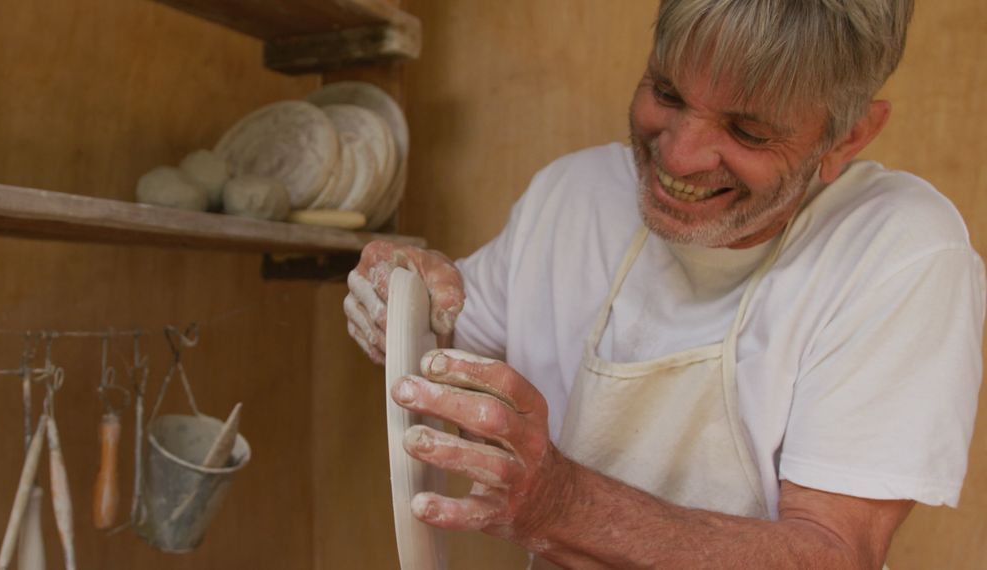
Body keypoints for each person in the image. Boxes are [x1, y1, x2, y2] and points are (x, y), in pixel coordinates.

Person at [344, 1, 986, 567]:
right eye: (668, 93)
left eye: (748, 131)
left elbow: (835, 554)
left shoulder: (899, 250)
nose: (678, 157)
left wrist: (562, 503)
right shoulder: (573, 197)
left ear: (848, 135)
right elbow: (444, 352)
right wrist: (407, 302)